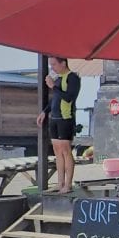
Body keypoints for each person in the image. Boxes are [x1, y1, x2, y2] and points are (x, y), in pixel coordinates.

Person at [35, 56, 81, 194]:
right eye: (50, 65)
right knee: (56, 150)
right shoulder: (59, 78)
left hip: (65, 118)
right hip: (54, 117)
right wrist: (45, 112)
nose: (52, 68)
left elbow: (68, 98)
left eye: (54, 64)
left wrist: (53, 86)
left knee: (66, 150)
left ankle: (68, 184)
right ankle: (59, 183)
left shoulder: (72, 78)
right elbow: (55, 98)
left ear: (63, 63)